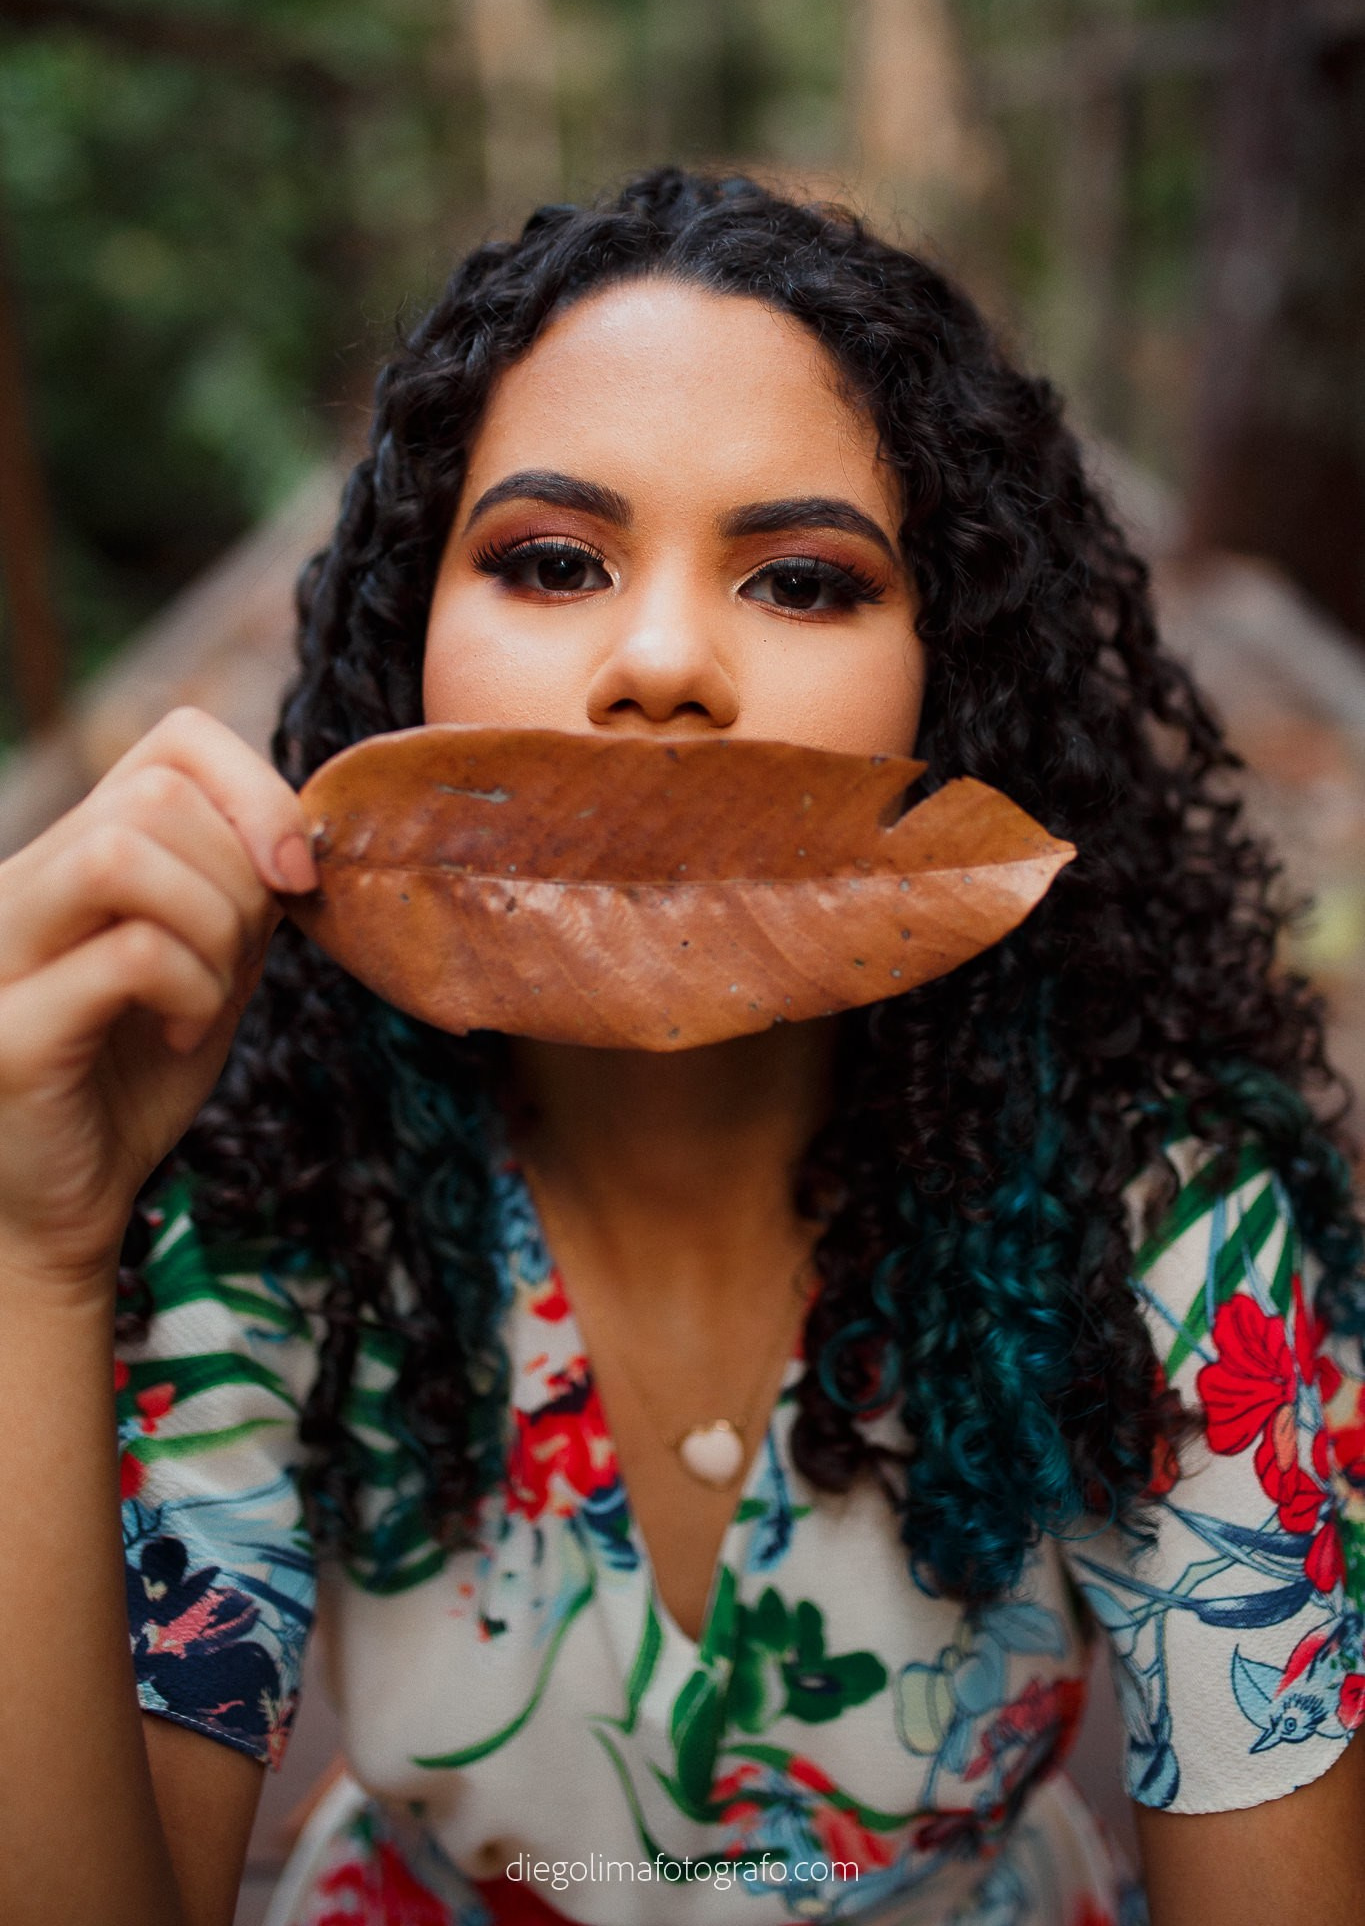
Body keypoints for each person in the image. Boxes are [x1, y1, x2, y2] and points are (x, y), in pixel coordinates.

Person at [2, 169, 1364, 1926]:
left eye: (801, 583)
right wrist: (38, 1255)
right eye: (550, 561)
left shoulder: (1160, 1202)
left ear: (948, 689)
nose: (660, 665)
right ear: (402, 643)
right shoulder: (268, 1167)